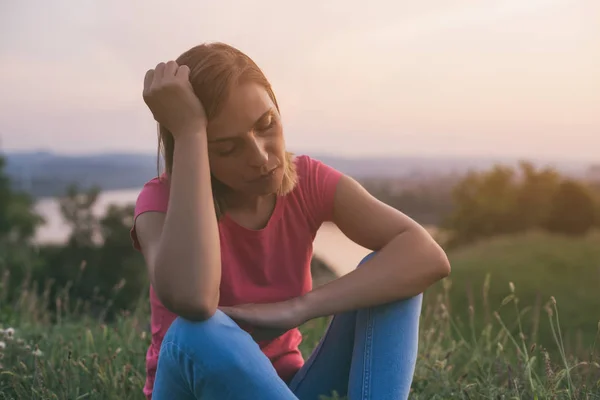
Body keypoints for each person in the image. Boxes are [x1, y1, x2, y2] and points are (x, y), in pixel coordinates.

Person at [130, 42, 451, 400]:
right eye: (227, 148)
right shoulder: (160, 201)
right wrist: (189, 131)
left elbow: (426, 255)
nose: (261, 156)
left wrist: (297, 308)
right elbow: (194, 300)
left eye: (266, 124)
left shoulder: (307, 182)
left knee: (392, 274)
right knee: (195, 332)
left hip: (288, 390)